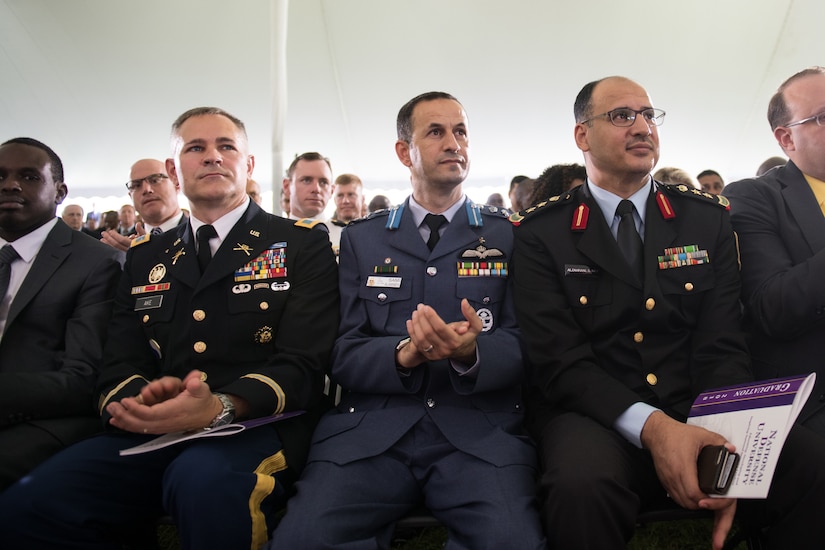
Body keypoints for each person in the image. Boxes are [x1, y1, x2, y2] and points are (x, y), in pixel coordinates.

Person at [0, 107, 339, 548]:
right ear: (173, 171)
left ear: (249, 165)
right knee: (32, 504)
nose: (212, 157)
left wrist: (221, 405)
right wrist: (140, 404)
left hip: (257, 426)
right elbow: (121, 359)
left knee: (203, 484)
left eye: (226, 147)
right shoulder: (144, 257)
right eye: (195, 148)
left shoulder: (300, 242)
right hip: (156, 430)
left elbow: (304, 364)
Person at [511, 75, 825, 550]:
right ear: (582, 135)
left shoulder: (706, 217)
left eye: (648, 115)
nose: (641, 126)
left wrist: (722, 433)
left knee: (809, 464)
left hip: (698, 406)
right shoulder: (540, 233)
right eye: (621, 116)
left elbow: (722, 343)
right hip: (596, 416)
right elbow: (559, 362)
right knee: (581, 487)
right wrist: (655, 430)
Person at [269, 92, 545, 549]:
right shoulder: (363, 240)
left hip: (479, 435)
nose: (453, 143)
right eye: (435, 132)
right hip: (372, 432)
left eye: (460, 132)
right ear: (404, 152)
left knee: (509, 540)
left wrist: (473, 354)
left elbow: (527, 343)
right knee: (303, 538)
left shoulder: (509, 235)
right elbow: (340, 350)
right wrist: (404, 353)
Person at [0, 137, 122, 490]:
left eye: (29, 176)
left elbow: (83, 379)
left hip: (42, 419)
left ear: (60, 191)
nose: (10, 185)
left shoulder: (98, 263)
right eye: (1, 176)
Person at [724, 66, 825, 437]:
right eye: (823, 117)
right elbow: (773, 307)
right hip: (810, 400)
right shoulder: (754, 197)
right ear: (786, 138)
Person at [101, 159, 187, 252]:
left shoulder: (199, 235)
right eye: (136, 185)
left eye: (155, 180)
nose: (146, 189)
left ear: (176, 184)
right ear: (131, 196)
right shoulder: (123, 247)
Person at [282, 152, 333, 221]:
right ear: (287, 186)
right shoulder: (271, 231)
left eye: (323, 182)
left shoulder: (344, 231)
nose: (316, 189)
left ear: (332, 191)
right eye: (306, 180)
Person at [327, 173, 364, 256]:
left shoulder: (373, 231)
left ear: (362, 199)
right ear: (334, 200)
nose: (345, 201)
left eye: (351, 195)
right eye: (340, 196)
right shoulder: (324, 232)